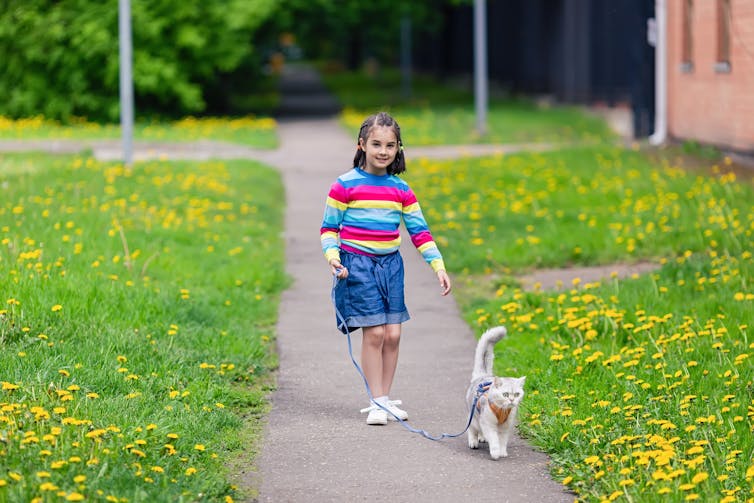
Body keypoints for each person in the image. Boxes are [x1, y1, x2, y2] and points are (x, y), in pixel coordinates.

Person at [320, 111, 452, 425]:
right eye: (376, 144)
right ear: (361, 144)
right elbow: (328, 228)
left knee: (393, 335)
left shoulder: (401, 190)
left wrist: (438, 266)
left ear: (398, 149)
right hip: (357, 266)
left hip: (391, 267)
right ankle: (376, 401)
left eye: (390, 145)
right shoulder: (344, 186)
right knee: (375, 333)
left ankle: (386, 397)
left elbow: (420, 232)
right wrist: (333, 257)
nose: (383, 151)